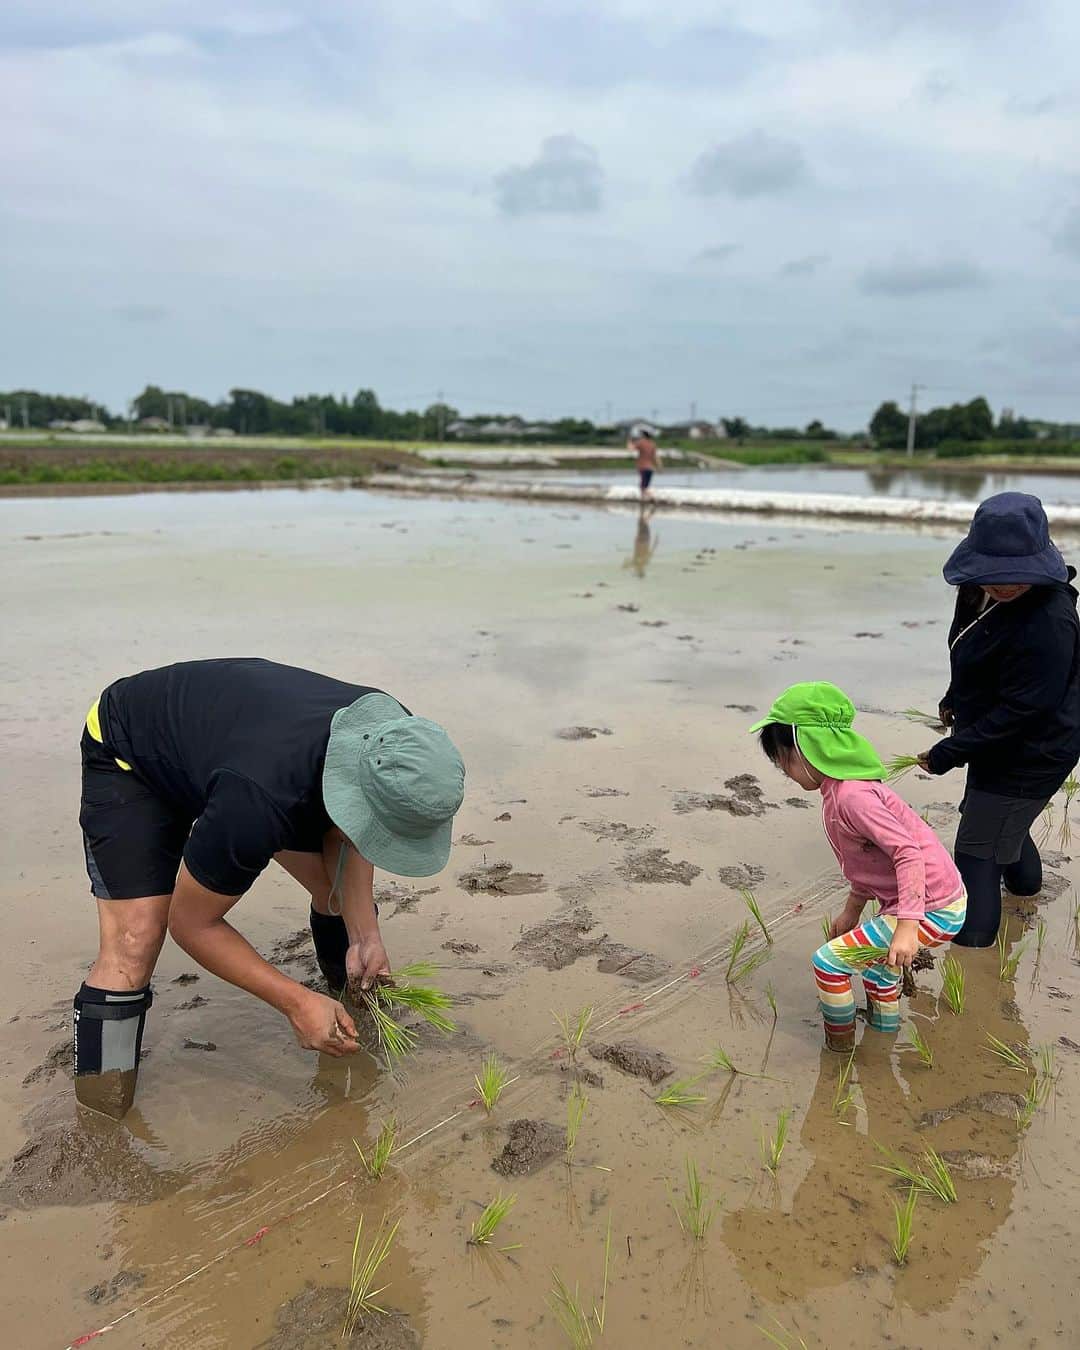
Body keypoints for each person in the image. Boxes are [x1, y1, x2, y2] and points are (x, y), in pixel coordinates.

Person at [75, 657, 465, 1117]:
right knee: (135, 941)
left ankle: (350, 1015)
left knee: (334, 894)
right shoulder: (259, 801)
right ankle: (101, 1116)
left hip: (230, 752)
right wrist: (294, 1002)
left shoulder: (397, 740)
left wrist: (366, 936)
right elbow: (191, 924)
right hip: (131, 753)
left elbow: (350, 834)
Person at [751, 682, 966, 1052]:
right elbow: (869, 862)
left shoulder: (853, 797)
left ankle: (839, 1049)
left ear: (810, 748)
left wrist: (907, 927)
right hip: (930, 902)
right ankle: (881, 1043)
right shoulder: (838, 793)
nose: (784, 770)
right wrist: (852, 910)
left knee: (828, 963)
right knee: (879, 974)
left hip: (934, 907)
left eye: (785, 760)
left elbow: (908, 853)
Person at [917, 492, 1080, 947]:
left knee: (976, 852)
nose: (1004, 584)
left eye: (1016, 574)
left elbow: (1024, 710)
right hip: (996, 739)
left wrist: (951, 750)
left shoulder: (1050, 621)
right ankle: (1025, 891)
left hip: (1034, 750)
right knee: (999, 821)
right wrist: (955, 695)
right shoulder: (976, 589)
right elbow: (971, 648)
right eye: (994, 573)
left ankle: (972, 943)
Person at [628, 426, 660, 500]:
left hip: (643, 467)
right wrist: (659, 466)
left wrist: (629, 441)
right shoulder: (653, 444)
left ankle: (653, 498)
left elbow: (631, 449)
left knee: (642, 488)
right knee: (645, 487)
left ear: (643, 435)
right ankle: (643, 503)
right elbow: (656, 457)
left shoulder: (641, 442)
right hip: (651, 468)